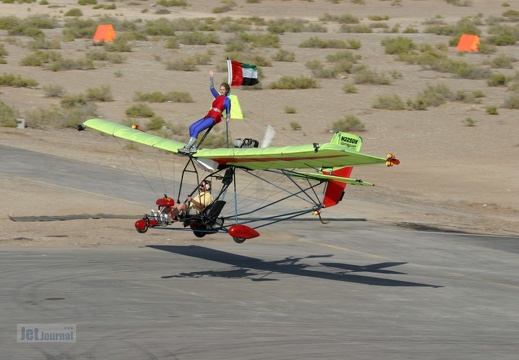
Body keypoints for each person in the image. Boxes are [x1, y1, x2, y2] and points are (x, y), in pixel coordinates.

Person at [179, 70, 231, 153]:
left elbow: (228, 111)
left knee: (197, 129)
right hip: (209, 115)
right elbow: (211, 88)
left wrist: (228, 118)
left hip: (214, 117)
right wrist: (211, 77)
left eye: (223, 90)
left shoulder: (227, 100)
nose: (221, 91)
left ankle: (187, 147)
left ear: (227, 90)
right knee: (192, 128)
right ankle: (193, 147)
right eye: (220, 89)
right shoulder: (218, 96)